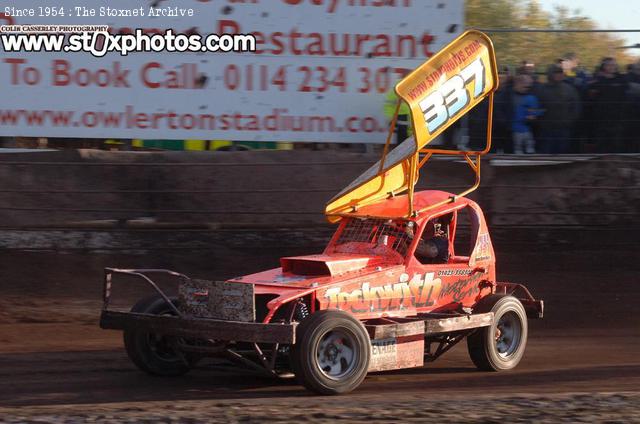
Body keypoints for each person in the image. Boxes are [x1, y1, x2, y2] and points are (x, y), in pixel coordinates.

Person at [536, 64, 581, 154]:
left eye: (560, 73)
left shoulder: (569, 89)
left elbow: (576, 107)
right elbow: (536, 107)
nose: (559, 75)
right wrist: (541, 122)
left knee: (562, 152)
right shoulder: (541, 90)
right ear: (550, 74)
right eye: (556, 73)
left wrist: (569, 121)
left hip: (564, 128)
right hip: (546, 129)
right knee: (546, 152)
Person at [511, 74, 542, 154]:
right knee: (519, 148)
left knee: (529, 147)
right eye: (522, 83)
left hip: (527, 128)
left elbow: (536, 111)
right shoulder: (510, 96)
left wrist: (534, 116)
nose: (525, 86)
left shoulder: (531, 97)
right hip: (516, 128)